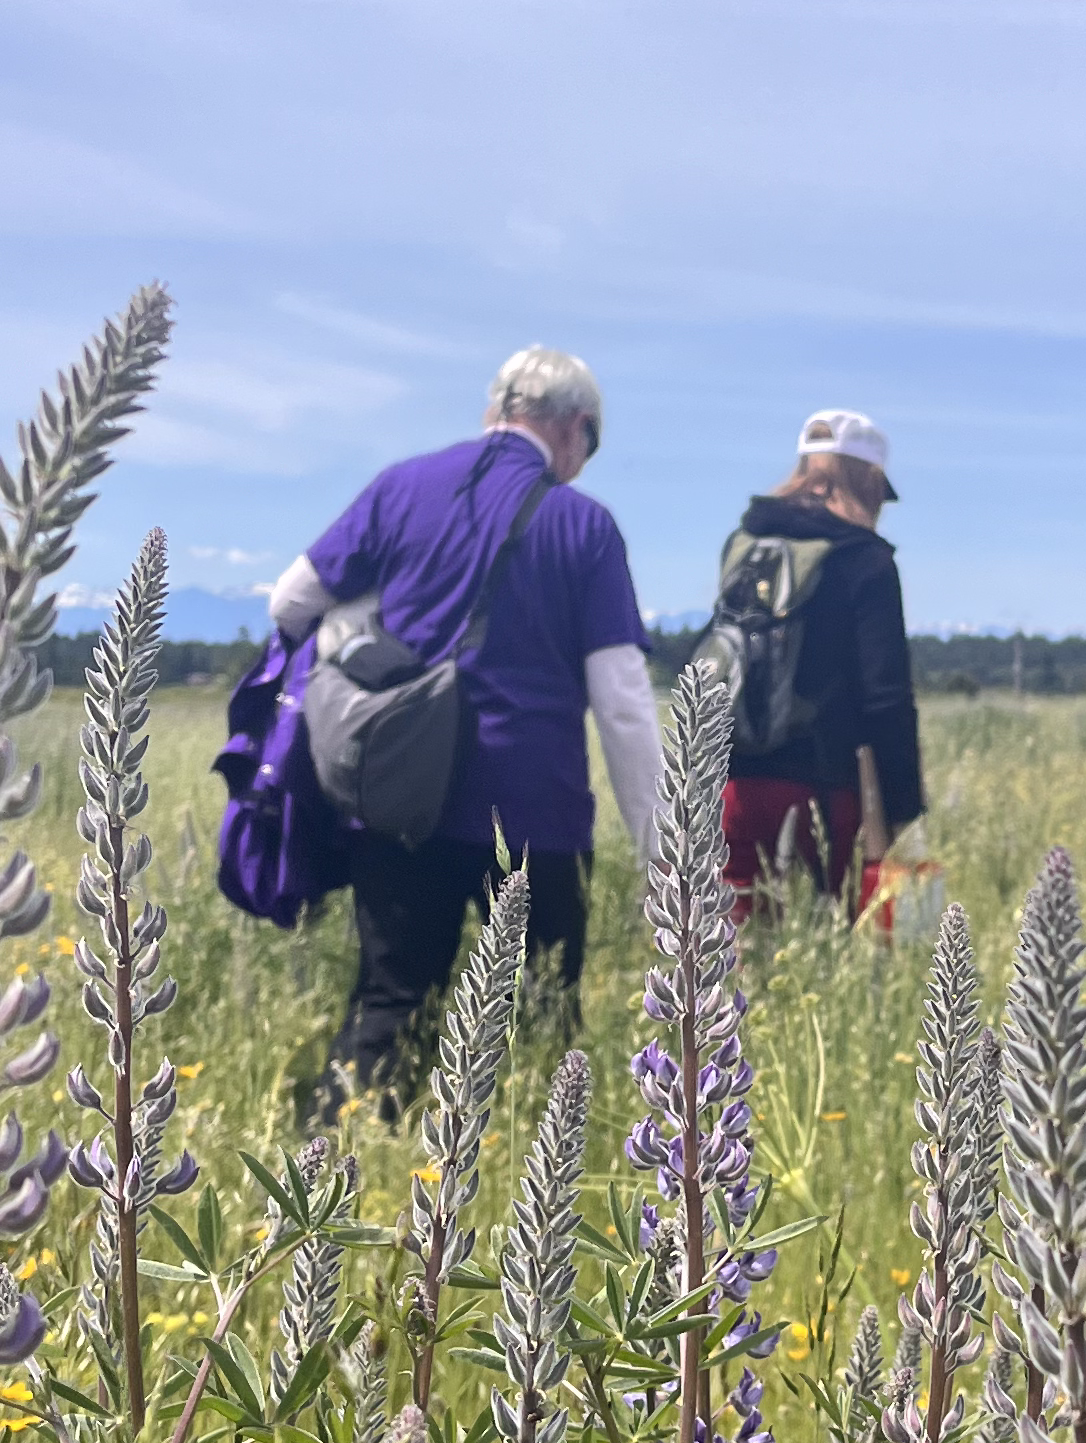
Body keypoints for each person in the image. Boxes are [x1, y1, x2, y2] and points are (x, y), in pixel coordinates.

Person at [270, 345, 661, 1094]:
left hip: (401, 797)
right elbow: (621, 702)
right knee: (546, 1018)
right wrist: (661, 855)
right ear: (575, 428)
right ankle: (533, 1176)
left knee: (389, 1004)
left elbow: (290, 602)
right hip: (535, 811)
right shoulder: (585, 527)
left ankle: (334, 1177)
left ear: (496, 412)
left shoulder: (399, 488)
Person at [712, 408, 924, 910]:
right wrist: (902, 810)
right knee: (827, 951)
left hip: (731, 785)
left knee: (733, 949)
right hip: (824, 792)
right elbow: (886, 697)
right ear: (869, 482)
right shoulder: (865, 558)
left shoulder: (744, 545)